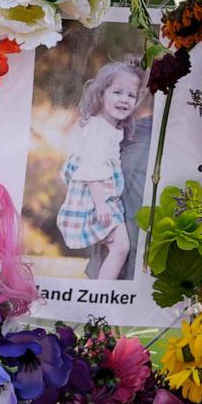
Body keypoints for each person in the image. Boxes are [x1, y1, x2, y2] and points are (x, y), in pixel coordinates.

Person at [56, 61, 149, 281]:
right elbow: (90, 168)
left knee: (118, 247)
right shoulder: (98, 128)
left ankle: (100, 291)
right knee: (121, 247)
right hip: (97, 198)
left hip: (105, 198)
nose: (124, 100)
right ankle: (100, 293)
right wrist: (100, 204)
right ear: (101, 94)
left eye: (130, 95)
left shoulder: (109, 125)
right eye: (117, 92)